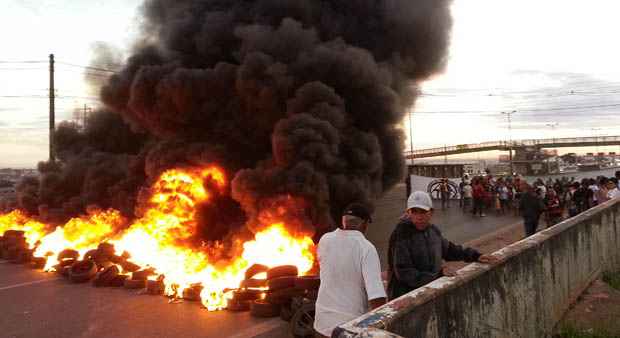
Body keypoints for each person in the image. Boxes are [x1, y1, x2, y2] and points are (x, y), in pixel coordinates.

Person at [386, 191, 498, 300]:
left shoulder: (433, 231)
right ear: (408, 213)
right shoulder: (401, 234)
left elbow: (449, 250)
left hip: (428, 293)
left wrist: (476, 256)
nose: (419, 217)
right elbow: (404, 272)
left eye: (423, 212)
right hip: (406, 298)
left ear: (431, 212)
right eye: (414, 212)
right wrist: (437, 275)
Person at [314, 203, 387, 337]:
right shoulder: (366, 248)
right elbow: (376, 296)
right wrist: (385, 323)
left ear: (343, 221)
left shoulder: (324, 240)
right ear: (365, 224)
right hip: (348, 328)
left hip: (321, 324)